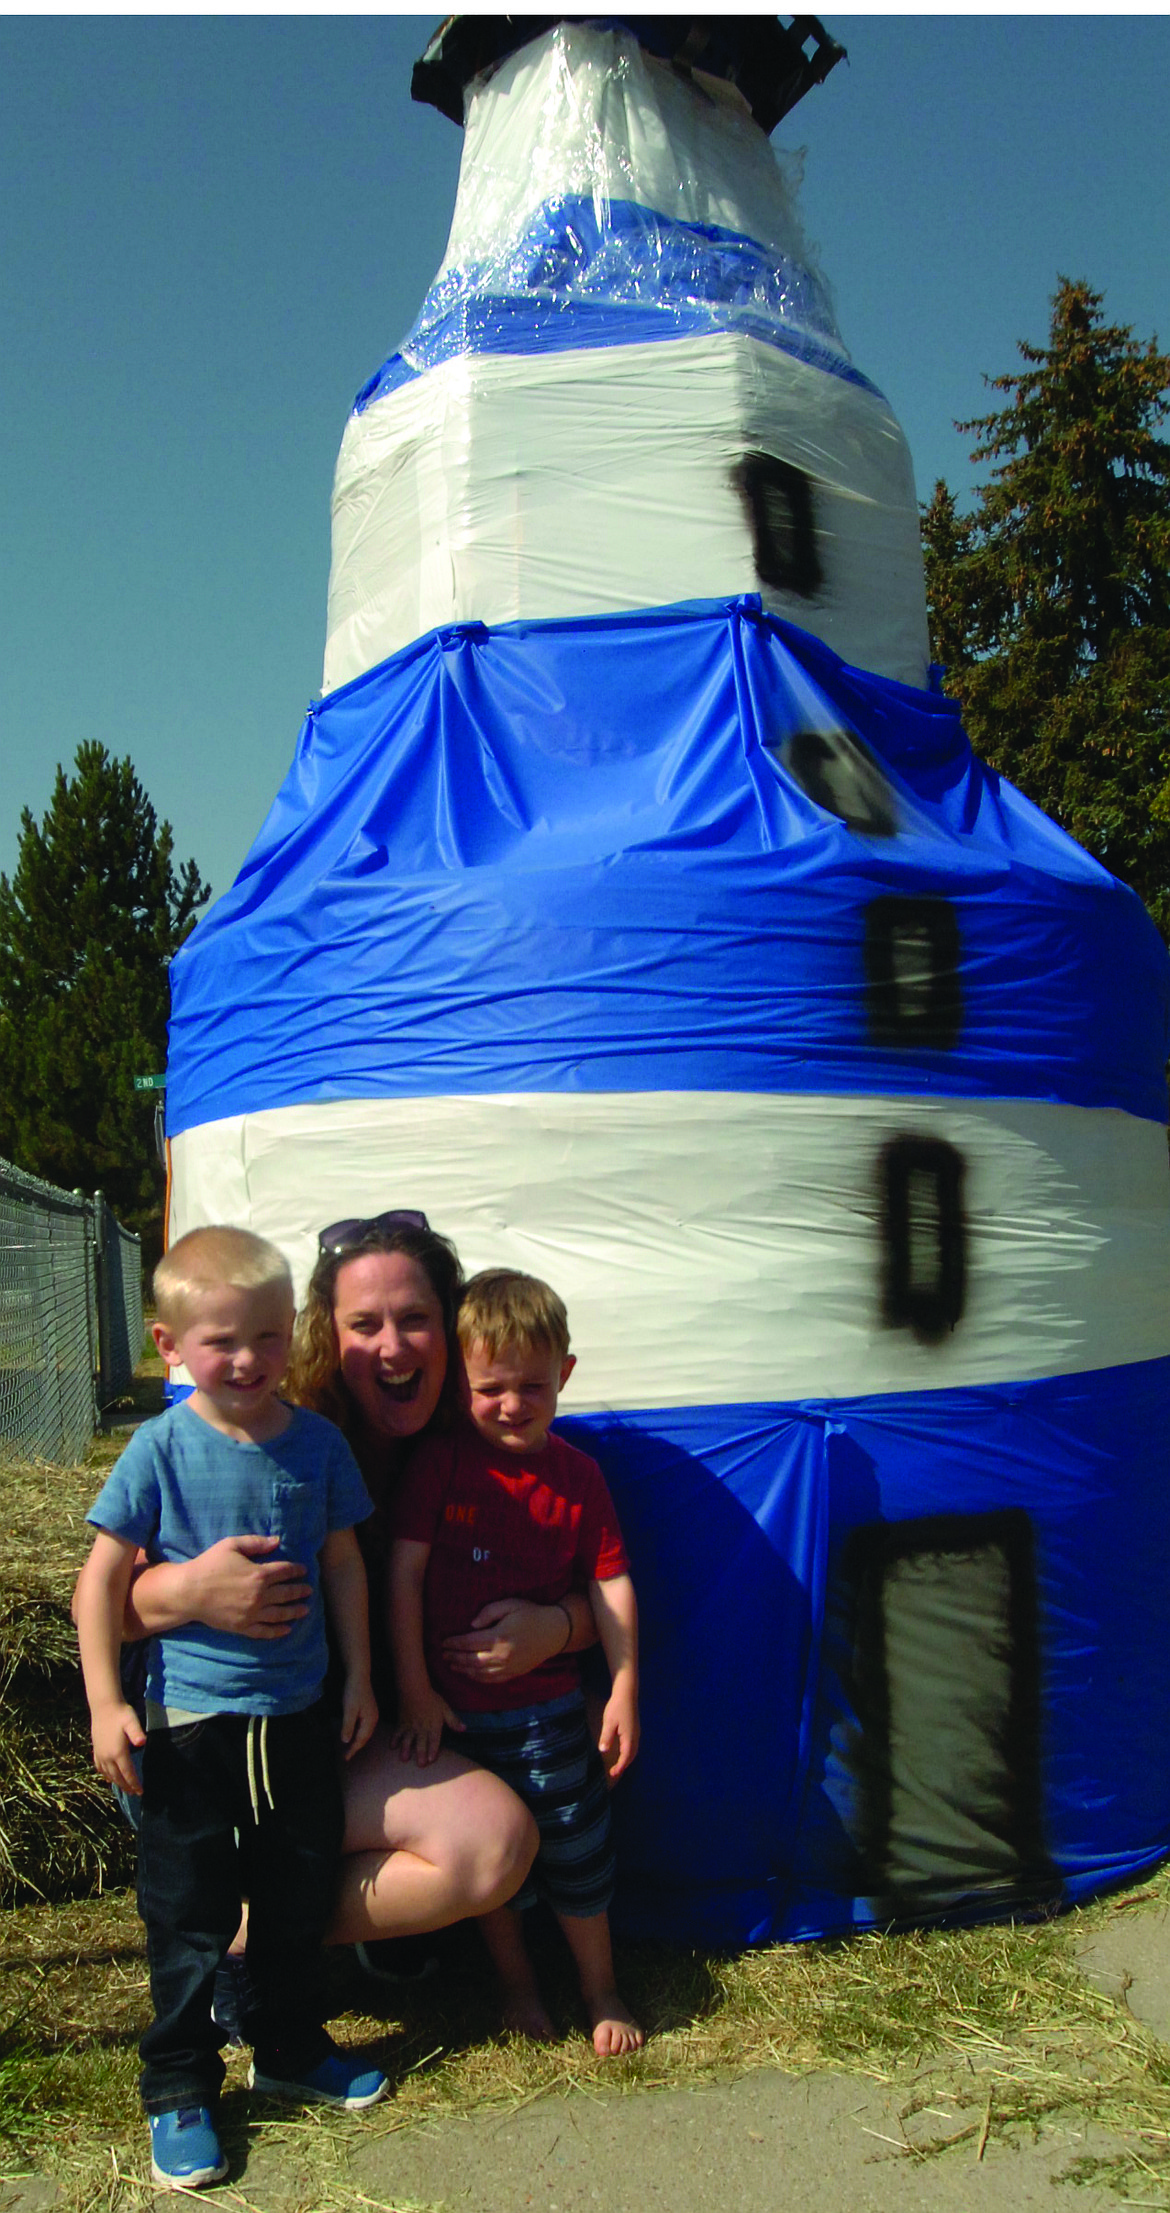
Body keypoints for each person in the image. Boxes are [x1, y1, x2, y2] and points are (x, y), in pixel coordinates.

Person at [115, 1211, 597, 1981]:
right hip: (218, 1744)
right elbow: (111, 1598)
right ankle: (217, 1940)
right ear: (324, 1337)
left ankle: (255, 1928)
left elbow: (595, 1580)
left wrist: (561, 1625)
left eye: (415, 1319)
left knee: (494, 1842)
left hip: (346, 1740)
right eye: (363, 1323)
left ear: (453, 1326)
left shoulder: (497, 1446)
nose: (392, 1346)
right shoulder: (261, 1437)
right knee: (479, 1835)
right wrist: (191, 1588)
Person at [74, 1227, 388, 2195]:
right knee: (188, 1912)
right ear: (168, 1345)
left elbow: (344, 1564)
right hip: (190, 1729)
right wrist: (101, 1701)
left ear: (290, 1328)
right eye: (221, 1341)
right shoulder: (158, 1449)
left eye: (265, 1333)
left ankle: (289, 2042)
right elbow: (98, 1585)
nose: (247, 1358)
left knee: (296, 1892)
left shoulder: (319, 1444)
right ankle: (178, 2083)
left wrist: (363, 1679)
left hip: (294, 1719)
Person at [390, 1268, 644, 2057]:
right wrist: (417, 1690)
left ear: (564, 1374)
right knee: (499, 1877)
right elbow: (401, 1577)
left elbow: (611, 1584)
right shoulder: (441, 1466)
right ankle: (517, 1985)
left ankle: (599, 1985)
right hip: (458, 1721)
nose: (511, 1403)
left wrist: (625, 1685)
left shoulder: (576, 1477)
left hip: (548, 1714)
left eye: (532, 1384)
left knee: (575, 1847)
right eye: (490, 1386)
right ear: (460, 1381)